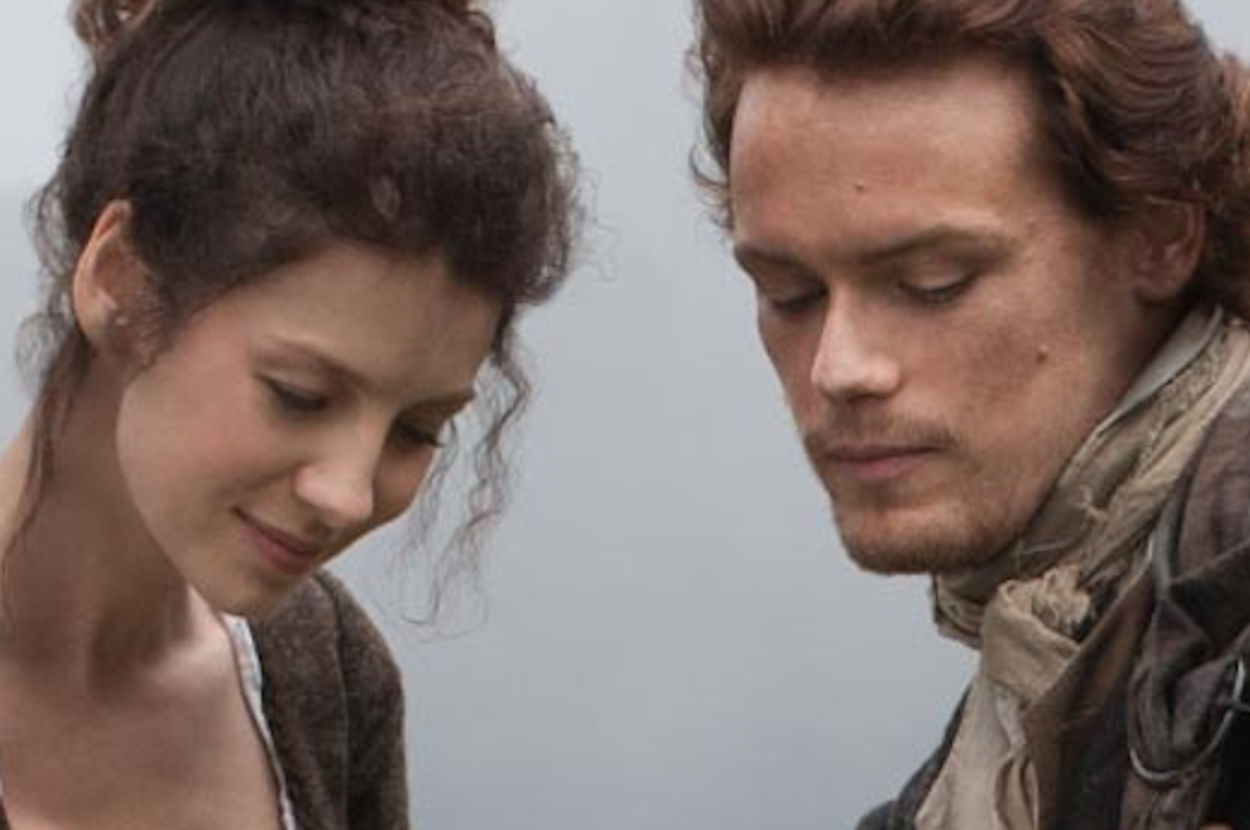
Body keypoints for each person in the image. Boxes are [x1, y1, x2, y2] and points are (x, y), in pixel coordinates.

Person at [0, 0, 575, 827]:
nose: (346, 494)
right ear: (120, 280)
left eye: (416, 430)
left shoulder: (328, 677)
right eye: (300, 394)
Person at [691, 1, 1250, 828]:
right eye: (789, 294)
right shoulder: (994, 753)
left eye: (934, 283)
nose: (839, 368)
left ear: (1159, 237)